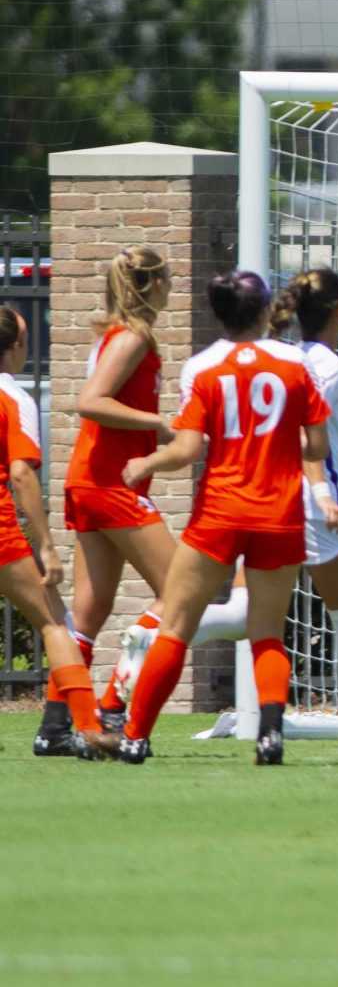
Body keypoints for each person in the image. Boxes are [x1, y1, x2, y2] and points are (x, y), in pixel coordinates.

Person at [116, 271, 338, 765]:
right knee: (266, 632)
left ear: (218, 314)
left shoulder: (202, 367)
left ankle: (135, 736)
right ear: (265, 311)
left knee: (175, 625)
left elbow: (189, 449)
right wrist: (281, 446)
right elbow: (317, 444)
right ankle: (271, 735)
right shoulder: (294, 364)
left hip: (220, 510)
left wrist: (148, 462)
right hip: (278, 511)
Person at [65, 247, 252, 722]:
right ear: (152, 285)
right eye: (168, 277)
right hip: (110, 483)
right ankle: (111, 701)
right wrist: (157, 423)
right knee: (179, 591)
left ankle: (58, 719)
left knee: (89, 612)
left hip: (91, 479)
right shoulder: (131, 338)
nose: (173, 285)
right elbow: (90, 401)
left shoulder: (115, 335)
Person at [259, 268, 338, 762]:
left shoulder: (283, 359)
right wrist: (327, 490)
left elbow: (320, 442)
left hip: (271, 496)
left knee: (252, 613)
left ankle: (151, 635)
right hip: (316, 506)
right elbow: (305, 438)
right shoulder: (329, 366)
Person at [4, 307, 114, 758]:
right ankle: (86, 728)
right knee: (54, 624)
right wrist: (47, 545)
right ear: (16, 347)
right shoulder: (15, 398)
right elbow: (20, 475)